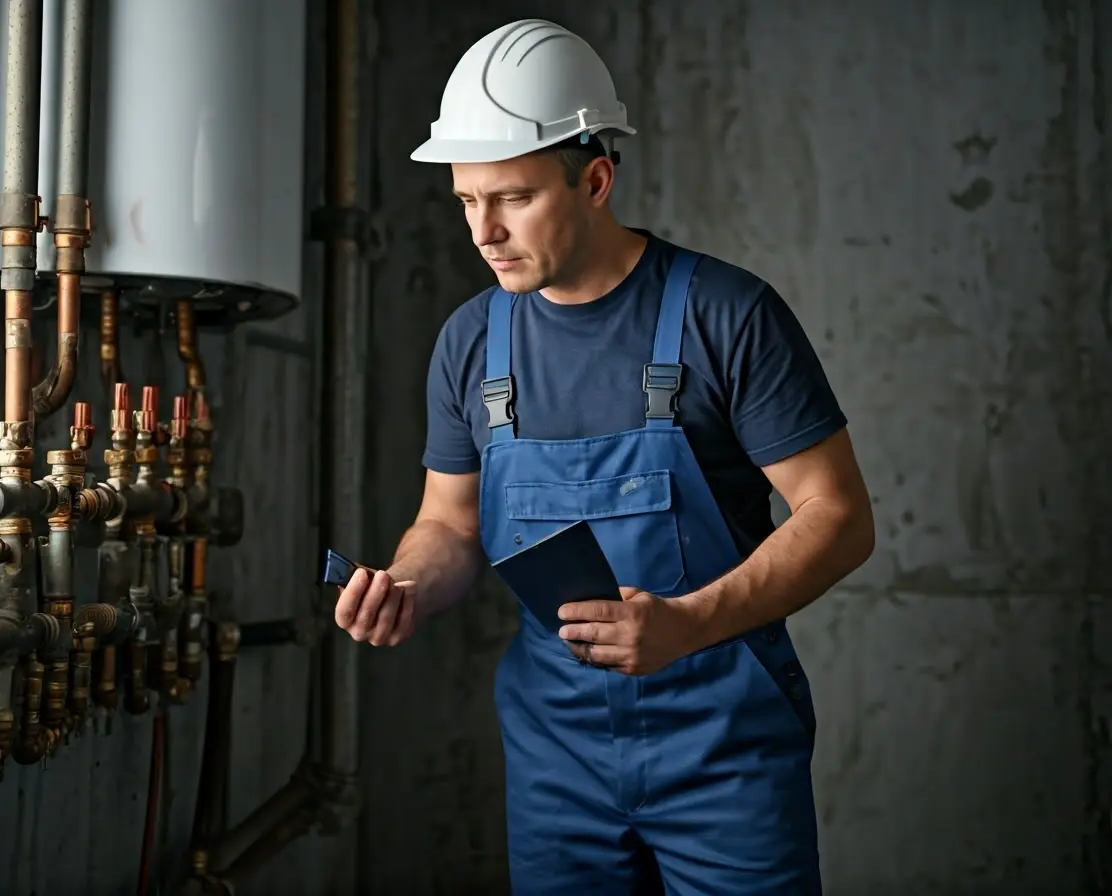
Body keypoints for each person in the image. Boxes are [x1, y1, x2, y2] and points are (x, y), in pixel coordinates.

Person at [333, 17, 875, 896]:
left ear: (594, 178)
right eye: (468, 200)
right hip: (558, 763)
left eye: (512, 197)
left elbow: (840, 518)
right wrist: (404, 584)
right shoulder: (472, 342)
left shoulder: (727, 316)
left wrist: (687, 624)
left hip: (724, 753)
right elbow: (448, 524)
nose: (484, 231)